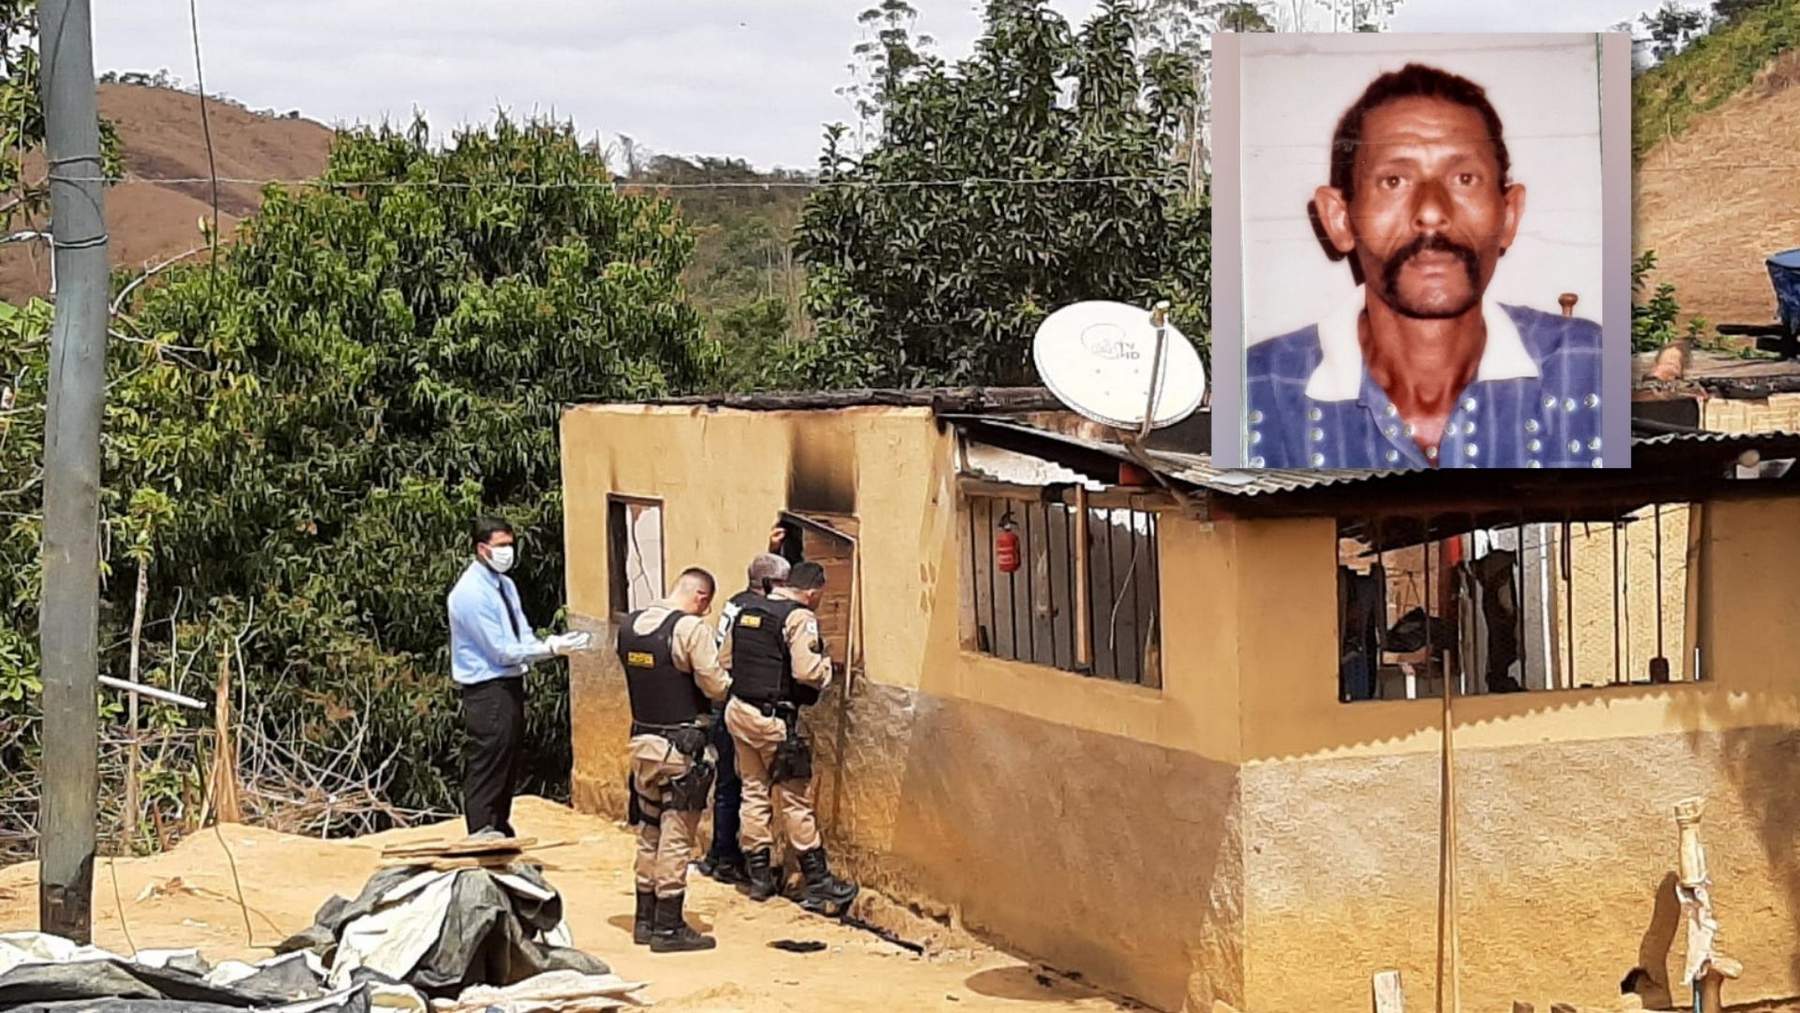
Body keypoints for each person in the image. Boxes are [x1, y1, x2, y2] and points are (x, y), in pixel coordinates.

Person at [1245, 62, 1604, 470]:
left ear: (1508, 215)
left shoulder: (1590, 367)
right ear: (1340, 219)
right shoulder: (1256, 392)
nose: (1432, 212)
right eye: (1394, 181)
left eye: (1464, 178)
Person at [719, 561, 858, 916]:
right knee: (795, 798)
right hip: (772, 720)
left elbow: (724, 660)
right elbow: (806, 671)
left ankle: (760, 877)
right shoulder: (798, 617)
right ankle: (818, 880)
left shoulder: (748, 608)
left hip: (738, 711)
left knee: (753, 789)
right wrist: (830, 668)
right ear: (812, 591)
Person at [447, 517, 586, 838]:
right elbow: (500, 650)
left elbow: (520, 636)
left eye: (510, 545)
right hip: (486, 688)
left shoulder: (504, 585)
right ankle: (482, 832)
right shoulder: (469, 593)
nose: (508, 552)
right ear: (482, 549)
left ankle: (499, 826)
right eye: (500, 546)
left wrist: (547, 644)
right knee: (489, 761)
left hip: (509, 683)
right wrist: (551, 648)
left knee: (508, 759)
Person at [618, 567, 730, 953]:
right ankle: (668, 926)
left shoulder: (630, 626)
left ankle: (644, 920)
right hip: (681, 750)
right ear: (701, 597)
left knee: (648, 829)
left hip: (642, 746)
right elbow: (713, 684)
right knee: (677, 834)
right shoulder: (690, 630)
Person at [695, 541, 791, 887]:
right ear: (769, 585)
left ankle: (723, 855)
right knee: (748, 786)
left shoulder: (736, 602)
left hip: (727, 701)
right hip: (746, 702)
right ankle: (735, 858)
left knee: (732, 783)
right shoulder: (764, 611)